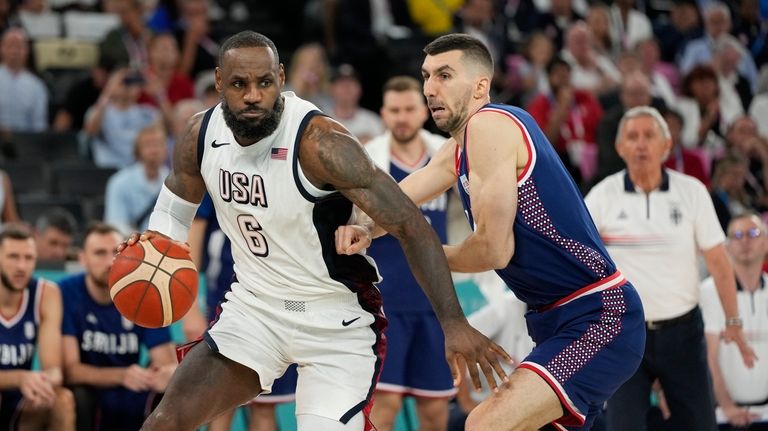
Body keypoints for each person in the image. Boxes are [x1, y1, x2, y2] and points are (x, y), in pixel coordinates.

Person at [118, 30, 507, 431]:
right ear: (219, 82)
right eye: (239, 84)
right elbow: (172, 213)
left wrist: (454, 322)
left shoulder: (321, 143)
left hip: (333, 320)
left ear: (281, 78)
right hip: (255, 310)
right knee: (164, 422)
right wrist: (155, 248)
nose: (253, 95)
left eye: (264, 82)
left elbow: (411, 225)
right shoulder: (200, 136)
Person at [338, 33, 646, 431]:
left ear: (480, 85)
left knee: (484, 425)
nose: (430, 88)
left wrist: (423, 249)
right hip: (555, 319)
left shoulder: (489, 127)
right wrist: (362, 225)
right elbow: (401, 199)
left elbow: (493, 250)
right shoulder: (459, 146)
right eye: (427, 76)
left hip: (599, 314)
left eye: (445, 75)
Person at [584, 106, 755, 431]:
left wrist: (733, 320)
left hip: (684, 333)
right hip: (625, 334)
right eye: (632, 137)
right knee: (623, 426)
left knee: (701, 425)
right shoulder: (602, 197)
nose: (641, 144)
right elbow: (578, 260)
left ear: (666, 146)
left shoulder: (692, 192)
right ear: (620, 148)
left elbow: (719, 261)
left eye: (650, 136)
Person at [363, 75, 455, 431]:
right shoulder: (367, 159)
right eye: (394, 110)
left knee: (434, 411)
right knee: (383, 409)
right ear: (383, 114)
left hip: (435, 303)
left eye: (409, 109)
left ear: (424, 111)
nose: (402, 117)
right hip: (387, 304)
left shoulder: (445, 153)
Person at [184, 193, 299, 431]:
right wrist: (190, 307)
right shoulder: (218, 165)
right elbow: (192, 238)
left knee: (265, 405)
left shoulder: (288, 167)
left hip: (279, 297)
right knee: (220, 402)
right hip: (227, 298)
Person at [59, 223, 177, 431]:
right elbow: (70, 370)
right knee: (76, 395)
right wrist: (122, 375)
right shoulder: (65, 292)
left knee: (168, 393)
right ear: (82, 258)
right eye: (99, 253)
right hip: (91, 391)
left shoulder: (144, 292)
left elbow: (165, 362)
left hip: (131, 392)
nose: (108, 262)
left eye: (115, 252)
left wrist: (165, 374)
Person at [0, 225, 75, 431]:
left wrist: (43, 383)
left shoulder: (46, 293)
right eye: (13, 257)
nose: (21, 266)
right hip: (15, 384)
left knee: (62, 400)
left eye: (29, 258)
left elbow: (53, 369)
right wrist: (19, 377)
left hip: (22, 396)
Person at [701, 213, 768, 430]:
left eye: (753, 233)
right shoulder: (710, 290)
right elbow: (708, 357)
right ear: (727, 246)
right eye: (737, 235)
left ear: (765, 243)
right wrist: (728, 406)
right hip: (723, 414)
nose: (745, 241)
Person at [104, 123, 170, 236]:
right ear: (138, 150)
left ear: (166, 149)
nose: (154, 150)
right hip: (131, 246)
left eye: (158, 144)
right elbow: (115, 225)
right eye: (148, 145)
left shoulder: (174, 182)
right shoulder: (119, 182)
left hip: (167, 245)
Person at [0, 27, 48, 132]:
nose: (14, 51)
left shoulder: (36, 86)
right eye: (10, 46)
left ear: (27, 51)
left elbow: (39, 126)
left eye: (19, 47)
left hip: (24, 142)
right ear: (1, 49)